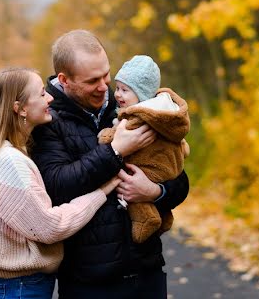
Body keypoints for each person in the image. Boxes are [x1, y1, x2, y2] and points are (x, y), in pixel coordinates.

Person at [30, 30, 190, 298]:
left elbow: (178, 175)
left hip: (147, 270)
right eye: (93, 80)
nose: (105, 87)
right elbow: (56, 187)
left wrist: (155, 192)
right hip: (91, 282)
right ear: (64, 80)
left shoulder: (134, 106)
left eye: (106, 75)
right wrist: (116, 150)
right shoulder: (47, 120)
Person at [0, 67, 127, 299]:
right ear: (20, 108)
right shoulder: (10, 163)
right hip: (20, 290)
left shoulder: (10, 154)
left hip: (21, 287)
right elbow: (50, 227)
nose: (51, 98)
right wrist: (101, 192)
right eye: (42, 93)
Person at [99, 55, 191, 242]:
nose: (117, 94)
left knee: (131, 190)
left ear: (140, 95)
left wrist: (107, 136)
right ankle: (164, 219)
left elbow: (119, 134)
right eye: (117, 88)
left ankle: (147, 218)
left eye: (124, 90)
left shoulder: (139, 117)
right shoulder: (165, 115)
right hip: (168, 165)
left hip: (148, 168)